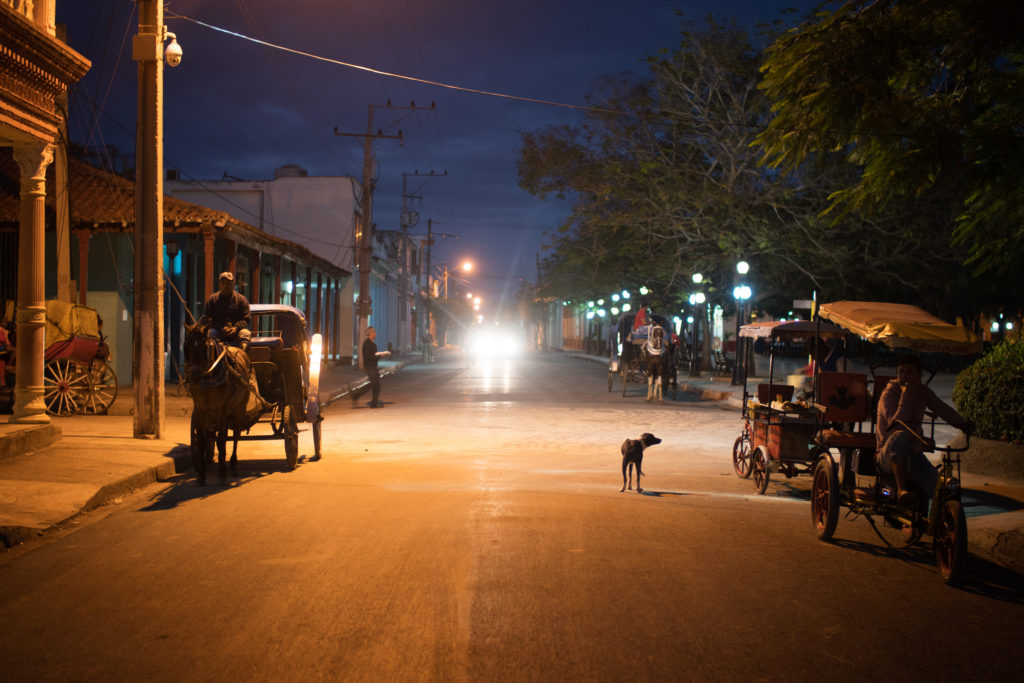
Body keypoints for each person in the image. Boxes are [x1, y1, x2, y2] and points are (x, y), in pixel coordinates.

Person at [876, 354, 971, 505]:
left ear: (919, 375)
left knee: (943, 492)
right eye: (901, 372)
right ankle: (902, 490)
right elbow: (897, 424)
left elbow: (943, 409)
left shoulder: (923, 392)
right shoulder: (888, 394)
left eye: (909, 372)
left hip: (913, 455)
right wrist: (906, 394)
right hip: (888, 456)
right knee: (900, 435)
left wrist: (964, 425)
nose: (904, 376)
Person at [199, 272, 252, 352]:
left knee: (246, 334)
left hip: (237, 331)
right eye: (223, 283)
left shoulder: (241, 300)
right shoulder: (212, 299)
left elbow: (246, 319)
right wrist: (220, 328)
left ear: (233, 284)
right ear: (220, 284)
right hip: (218, 331)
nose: (225, 285)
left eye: (228, 283)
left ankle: (244, 358)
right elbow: (208, 318)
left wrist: (236, 327)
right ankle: (211, 361)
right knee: (210, 334)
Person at [362, 326, 390, 408]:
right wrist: (380, 356)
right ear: (370, 333)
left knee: (376, 384)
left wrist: (380, 355)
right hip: (369, 366)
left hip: (373, 366)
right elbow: (369, 356)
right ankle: (357, 395)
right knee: (375, 384)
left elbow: (374, 354)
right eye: (374, 332)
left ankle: (374, 402)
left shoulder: (372, 342)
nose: (375, 333)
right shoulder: (367, 343)